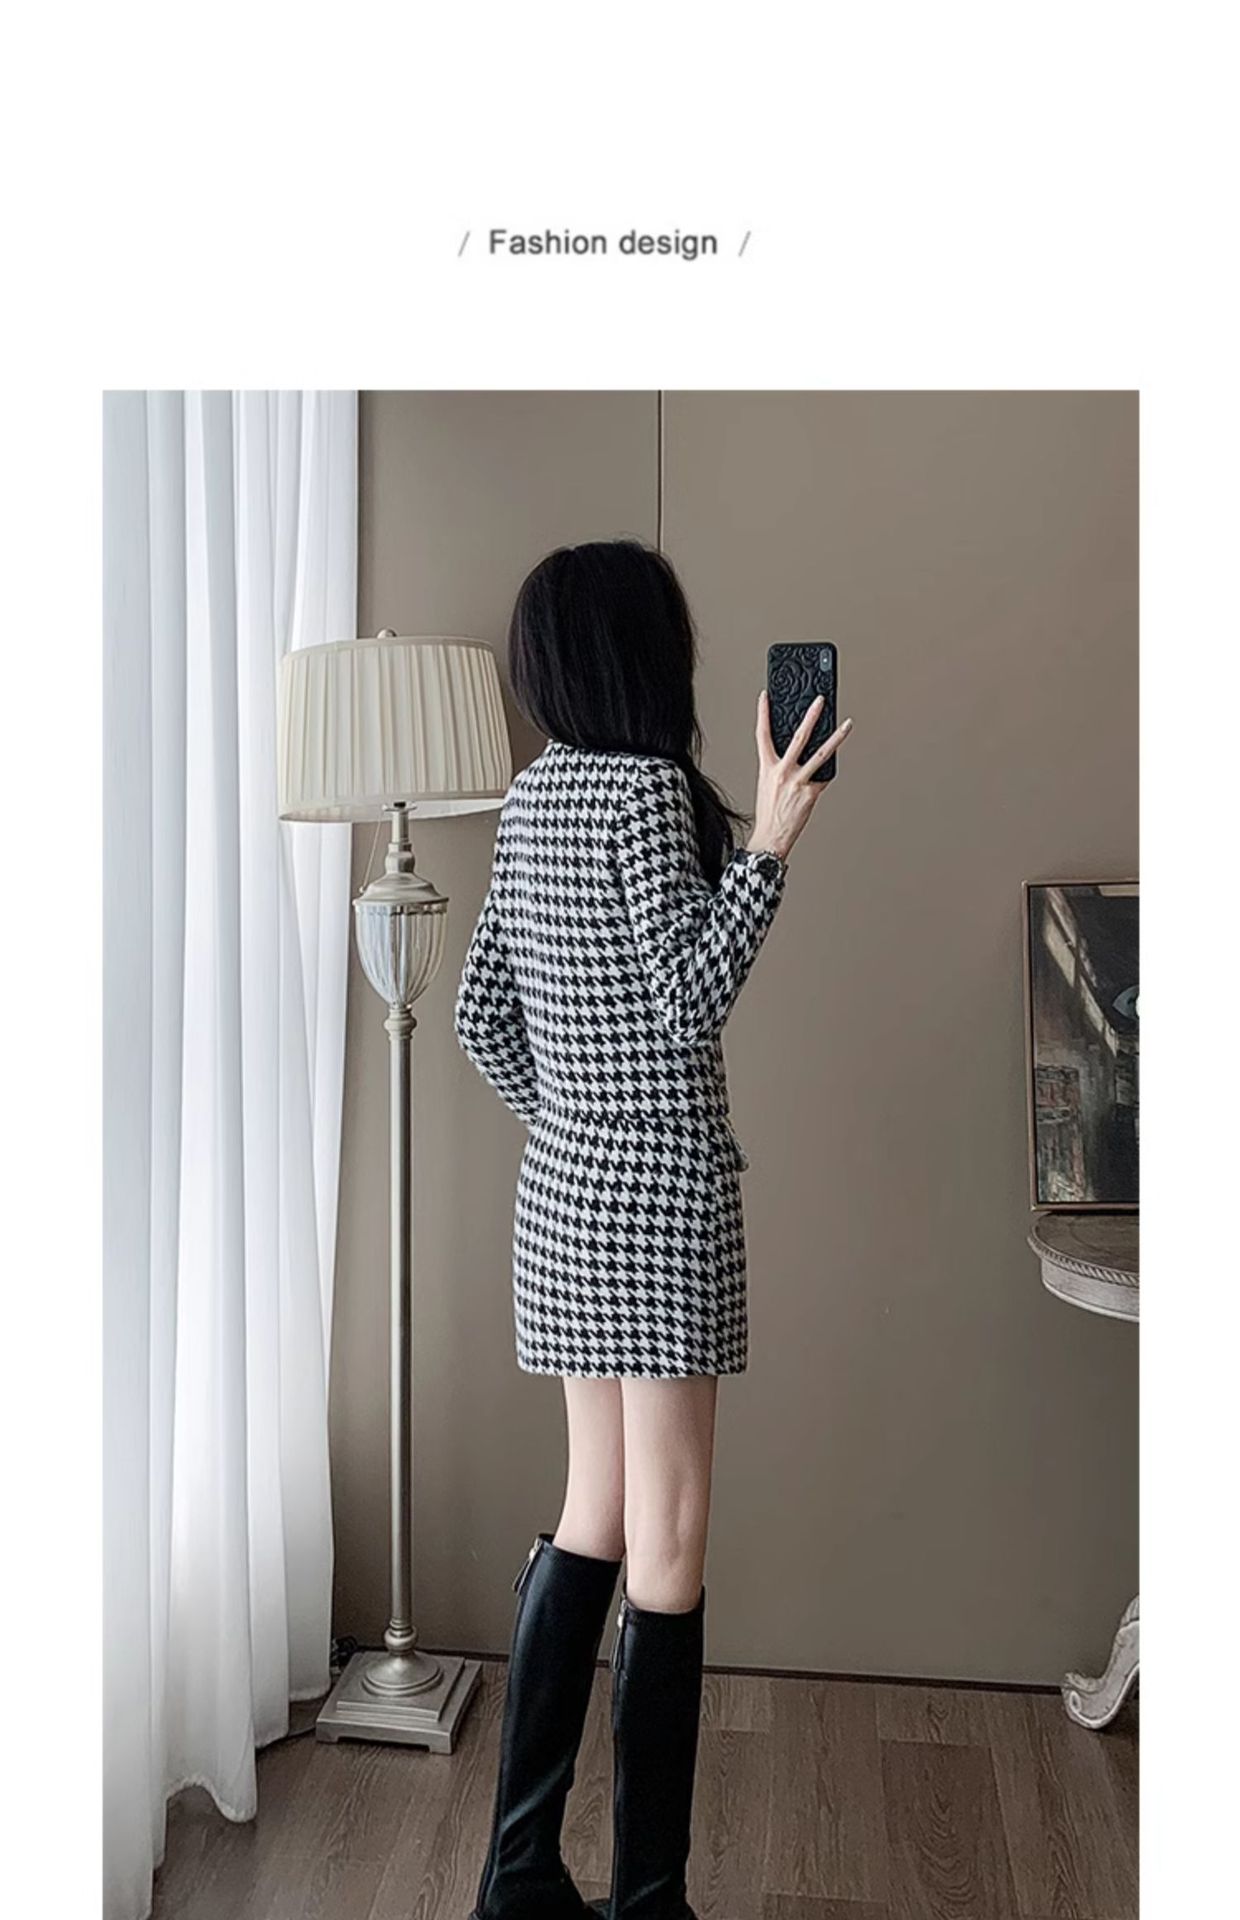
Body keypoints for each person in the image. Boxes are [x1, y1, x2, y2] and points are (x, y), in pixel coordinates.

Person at [454, 539, 852, 1920]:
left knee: (596, 1516)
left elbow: (481, 1018)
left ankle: (518, 1877)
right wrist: (773, 845)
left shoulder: (532, 799)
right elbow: (688, 997)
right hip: (664, 1207)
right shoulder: (643, 795)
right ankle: (648, 1902)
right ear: (647, 654)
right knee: (669, 1542)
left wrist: (577, 1121)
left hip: (564, 1203)